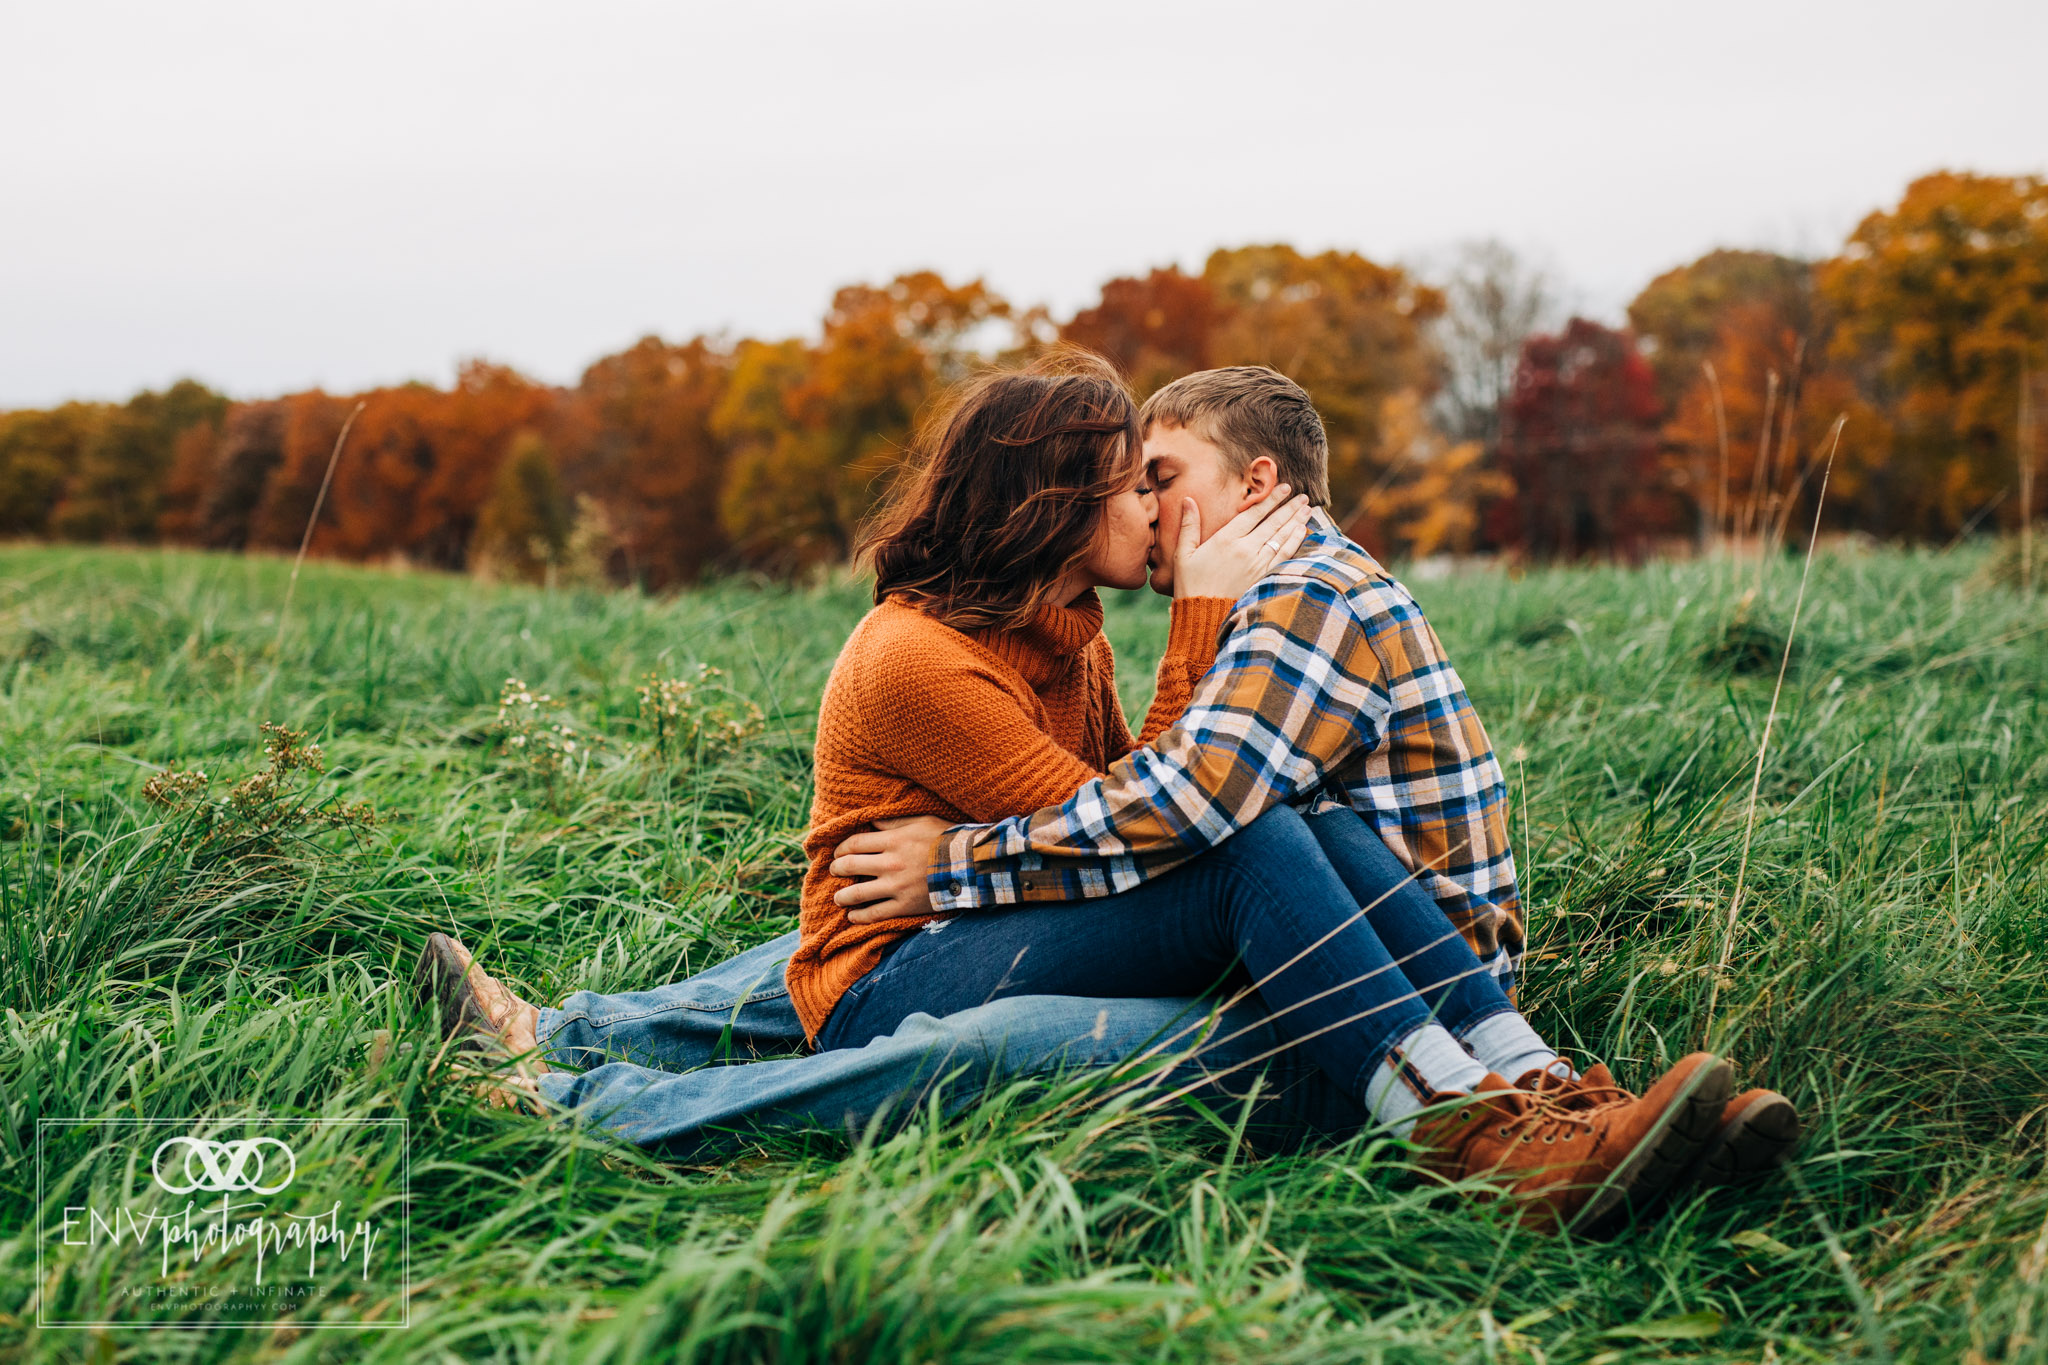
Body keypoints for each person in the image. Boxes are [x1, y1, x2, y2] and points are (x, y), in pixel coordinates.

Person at [417, 352, 1797, 1233]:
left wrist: (958, 857)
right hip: (938, 963)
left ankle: (1525, 1099)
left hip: (1077, 934)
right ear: (1054, 504)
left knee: (1258, 845)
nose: (1152, 510)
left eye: (1164, 478)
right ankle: (564, 1083)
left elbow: (1136, 810)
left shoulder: (1079, 624)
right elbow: (1146, 836)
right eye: (1129, 485)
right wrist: (1190, 627)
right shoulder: (929, 661)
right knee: (1023, 1004)